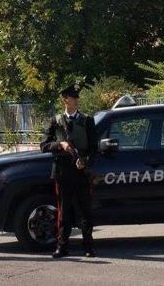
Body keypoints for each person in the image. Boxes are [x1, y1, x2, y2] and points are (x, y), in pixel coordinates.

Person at [40, 83, 97, 258]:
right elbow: (44, 145)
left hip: (81, 172)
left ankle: (88, 246)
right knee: (64, 211)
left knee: (85, 210)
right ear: (65, 100)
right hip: (63, 172)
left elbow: (94, 148)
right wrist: (60, 144)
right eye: (73, 97)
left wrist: (85, 161)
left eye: (76, 97)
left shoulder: (87, 120)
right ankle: (62, 246)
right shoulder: (56, 121)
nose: (76, 100)